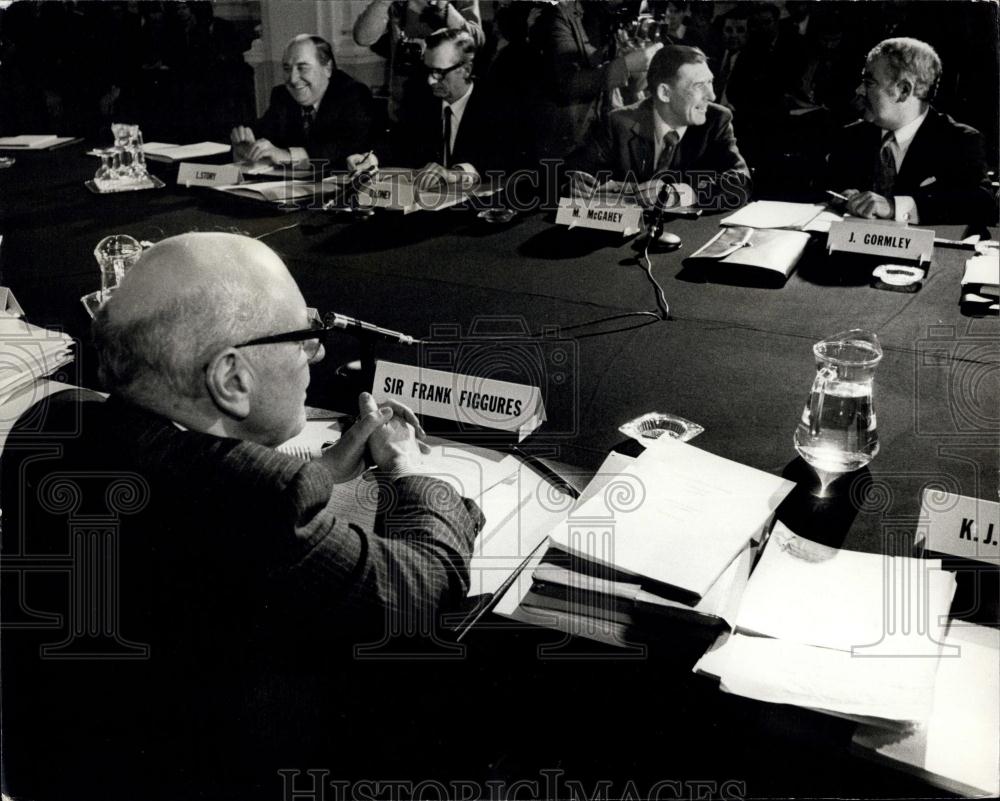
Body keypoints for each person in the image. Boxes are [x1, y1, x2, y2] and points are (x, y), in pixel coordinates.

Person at [0, 232, 483, 800]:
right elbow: (423, 584)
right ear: (231, 380)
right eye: (302, 337)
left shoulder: (52, 423)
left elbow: (204, 497)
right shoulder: (261, 504)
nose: (318, 354)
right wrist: (406, 470)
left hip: (65, 766)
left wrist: (331, 466)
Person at [828, 37, 994, 225]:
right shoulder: (851, 137)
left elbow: (982, 203)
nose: (859, 90)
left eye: (869, 82)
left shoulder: (958, 140)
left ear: (904, 90)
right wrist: (841, 199)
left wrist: (893, 207)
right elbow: (826, 188)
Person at [566, 44, 751, 209]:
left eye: (710, 82)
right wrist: (576, 183)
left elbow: (740, 183)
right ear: (664, 93)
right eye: (699, 85)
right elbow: (574, 172)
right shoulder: (618, 122)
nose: (711, 96)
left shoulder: (716, 119)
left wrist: (681, 194)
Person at [349, 28, 516, 184]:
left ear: (466, 69)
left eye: (439, 72)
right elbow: (400, 142)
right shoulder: (421, 99)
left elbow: (504, 160)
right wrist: (371, 159)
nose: (431, 80)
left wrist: (456, 173)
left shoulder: (496, 104)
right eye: (428, 71)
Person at [531, 0, 661, 160]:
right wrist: (626, 64)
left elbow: (634, 88)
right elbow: (567, 84)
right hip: (566, 143)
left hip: (602, 140)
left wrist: (642, 61)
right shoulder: (560, 16)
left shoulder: (615, 16)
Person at [230, 34, 375, 170]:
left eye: (302, 68)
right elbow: (267, 134)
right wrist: (247, 146)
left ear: (328, 68)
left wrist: (288, 156)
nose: (292, 79)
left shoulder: (353, 94)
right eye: (287, 69)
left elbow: (345, 147)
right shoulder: (282, 96)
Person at [353, 0, 484, 121]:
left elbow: (476, 41)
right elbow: (363, 38)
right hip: (403, 107)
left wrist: (444, 8)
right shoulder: (398, 4)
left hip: (444, 104)